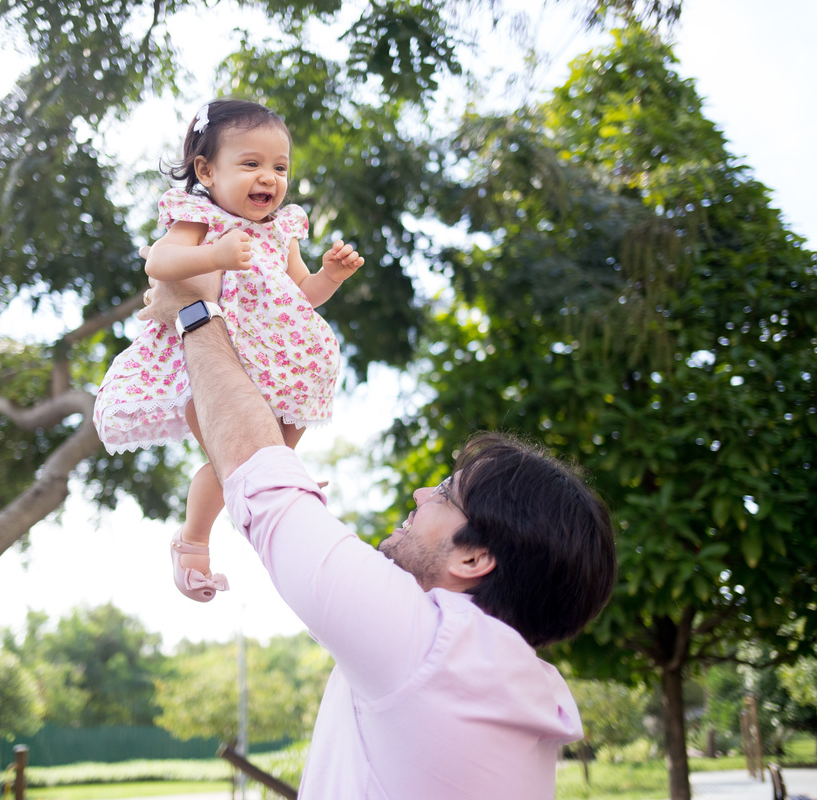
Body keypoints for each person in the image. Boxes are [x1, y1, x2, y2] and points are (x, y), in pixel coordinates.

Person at [136, 271, 619, 799]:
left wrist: (194, 311)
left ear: (476, 557)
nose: (418, 495)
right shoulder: (509, 681)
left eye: (444, 493)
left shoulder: (430, 651)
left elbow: (265, 483)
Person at [92, 99, 365, 602]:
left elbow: (301, 293)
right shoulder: (200, 216)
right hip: (212, 357)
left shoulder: (282, 228)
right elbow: (160, 262)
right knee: (232, 460)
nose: (269, 178)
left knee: (268, 458)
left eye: (279, 167)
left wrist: (331, 276)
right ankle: (193, 541)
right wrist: (214, 255)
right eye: (251, 164)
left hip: (282, 361)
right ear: (206, 170)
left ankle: (281, 492)